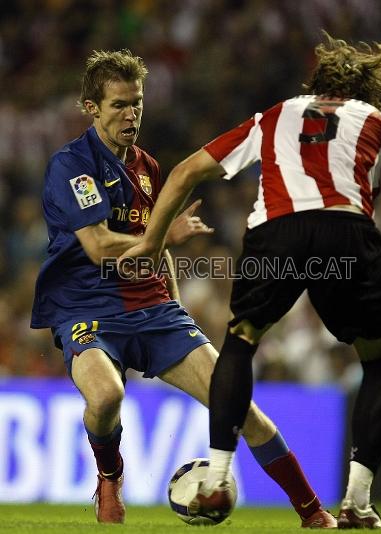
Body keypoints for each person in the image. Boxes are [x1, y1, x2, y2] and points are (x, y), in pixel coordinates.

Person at [120, 33, 381, 530]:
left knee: (241, 340)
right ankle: (357, 503)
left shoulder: (274, 116)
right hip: (346, 235)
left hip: (276, 234)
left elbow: (186, 171)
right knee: (380, 364)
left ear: (315, 82)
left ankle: (215, 479)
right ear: (367, 90)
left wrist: (150, 241)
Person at [31, 49, 337, 529]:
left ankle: (313, 511)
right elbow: (96, 246)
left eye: (136, 103)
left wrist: (173, 307)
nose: (130, 113)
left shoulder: (150, 170)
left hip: (153, 310)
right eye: (118, 105)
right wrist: (159, 236)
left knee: (240, 409)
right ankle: (110, 476)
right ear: (91, 107)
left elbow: (159, 253)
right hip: (86, 309)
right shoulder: (71, 165)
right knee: (107, 397)